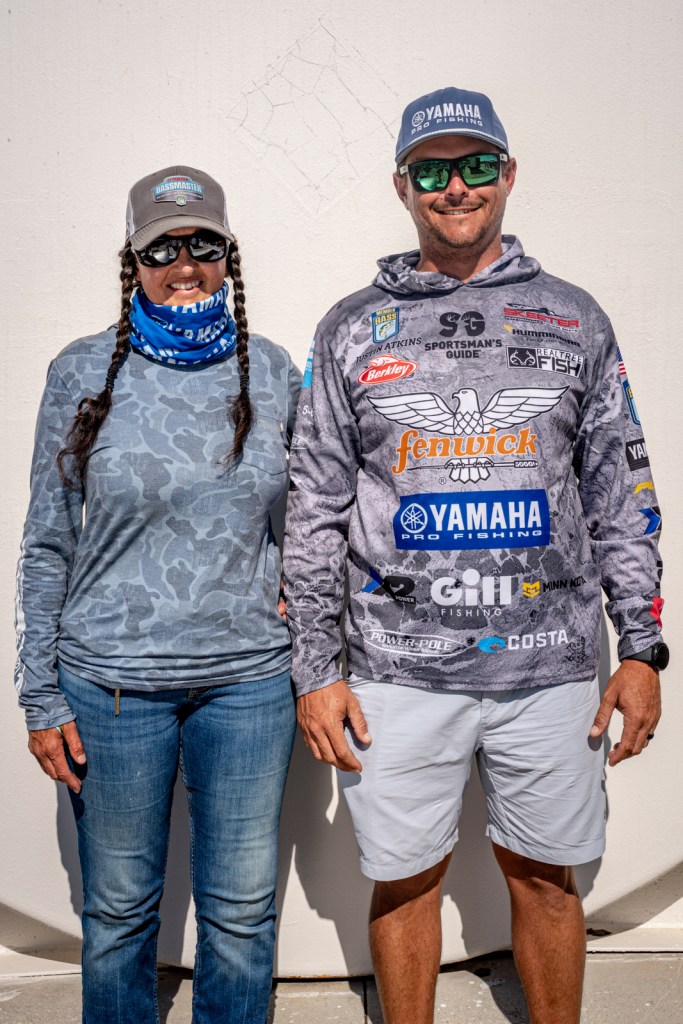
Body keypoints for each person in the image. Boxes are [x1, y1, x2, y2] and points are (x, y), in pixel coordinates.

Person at [283, 88, 666, 1024]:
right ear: (402, 187)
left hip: (550, 669)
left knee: (545, 881)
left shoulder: (574, 318)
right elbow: (313, 508)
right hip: (394, 672)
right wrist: (315, 671)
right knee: (405, 883)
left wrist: (641, 650)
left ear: (507, 174)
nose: (455, 187)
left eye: (476, 165)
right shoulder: (349, 327)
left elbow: (619, 492)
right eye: (432, 170)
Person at [15, 165, 300, 1024]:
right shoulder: (80, 370)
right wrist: (38, 695)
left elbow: (317, 511)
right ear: (131, 260)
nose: (184, 265)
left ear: (228, 255)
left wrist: (304, 594)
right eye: (161, 249)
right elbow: (48, 538)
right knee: (117, 915)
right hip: (109, 687)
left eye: (203, 244)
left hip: (248, 684)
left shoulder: (274, 370)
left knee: (242, 913)